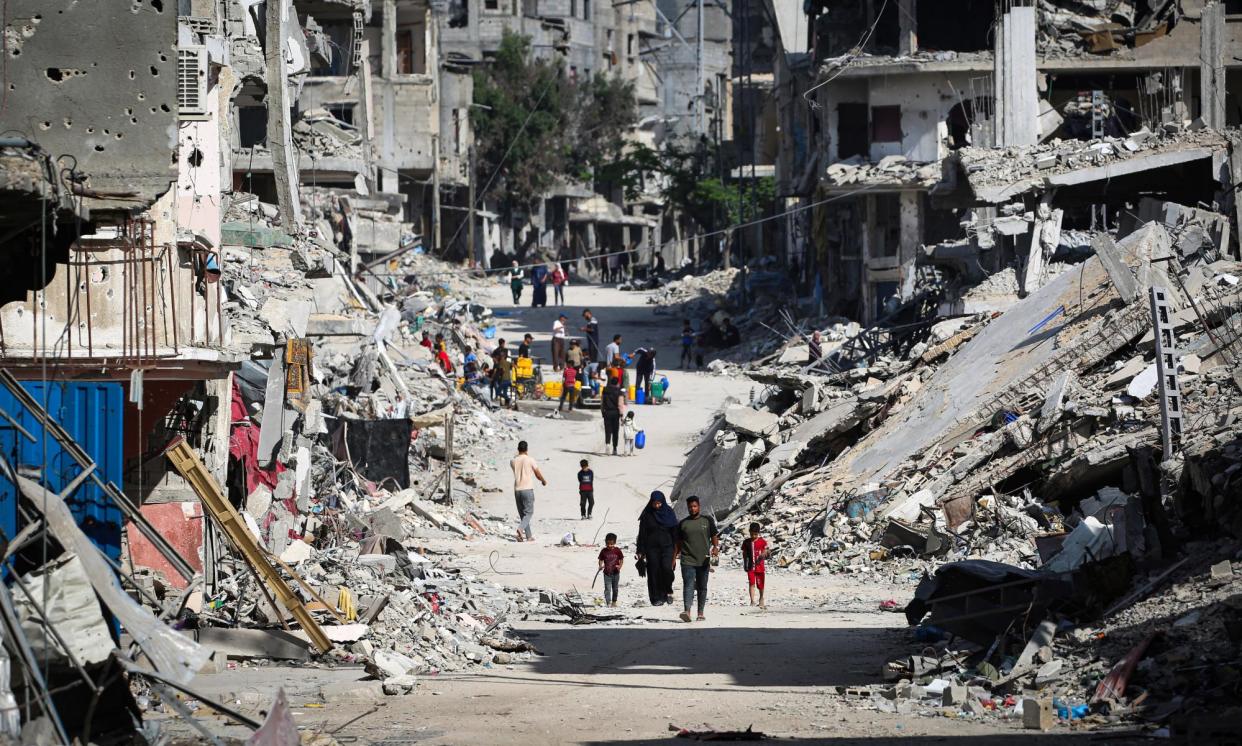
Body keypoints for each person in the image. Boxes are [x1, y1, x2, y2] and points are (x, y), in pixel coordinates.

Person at [674, 496, 719, 622]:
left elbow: (714, 535)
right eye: (690, 507)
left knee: (702, 586)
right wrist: (673, 559)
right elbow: (678, 543)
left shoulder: (707, 520)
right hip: (687, 560)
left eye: (694, 506)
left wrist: (716, 547)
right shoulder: (683, 523)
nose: (692, 509)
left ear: (699, 506)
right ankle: (687, 611)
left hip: (704, 560)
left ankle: (700, 612)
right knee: (688, 585)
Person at [636, 491, 677, 606]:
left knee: (666, 569)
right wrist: (640, 550)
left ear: (663, 502)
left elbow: (674, 531)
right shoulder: (647, 515)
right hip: (652, 548)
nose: (657, 506)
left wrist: (677, 548)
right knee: (653, 571)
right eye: (655, 503)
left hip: (667, 547)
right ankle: (655, 598)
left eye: (659, 503)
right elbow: (642, 533)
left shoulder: (669, 513)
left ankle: (668, 591)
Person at [510, 440, 546, 542]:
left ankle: (528, 536)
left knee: (523, 514)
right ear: (527, 449)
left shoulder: (513, 461)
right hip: (527, 489)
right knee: (529, 513)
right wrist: (543, 481)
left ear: (518, 449)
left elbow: (516, 459)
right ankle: (520, 529)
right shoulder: (530, 460)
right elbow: (537, 474)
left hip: (517, 490)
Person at [742, 522, 769, 608]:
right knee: (751, 583)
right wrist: (745, 564)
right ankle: (752, 601)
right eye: (752, 534)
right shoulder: (746, 542)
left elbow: (767, 551)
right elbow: (745, 554)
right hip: (750, 567)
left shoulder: (762, 542)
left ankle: (761, 598)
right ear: (749, 532)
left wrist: (764, 554)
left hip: (760, 567)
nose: (754, 536)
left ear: (758, 533)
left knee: (760, 584)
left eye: (755, 534)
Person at [600, 373, 624, 455]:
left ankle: (607, 445)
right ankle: (614, 448)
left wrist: (602, 411)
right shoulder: (619, 391)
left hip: (607, 412)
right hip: (615, 413)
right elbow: (620, 404)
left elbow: (602, 402)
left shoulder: (605, 389)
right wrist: (621, 415)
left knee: (608, 430)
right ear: (617, 383)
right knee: (615, 431)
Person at [598, 533, 624, 608]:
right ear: (605, 542)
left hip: (616, 573)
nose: (609, 545)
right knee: (607, 589)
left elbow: (621, 559)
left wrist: (620, 566)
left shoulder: (617, 550)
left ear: (614, 543)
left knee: (615, 589)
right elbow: (601, 559)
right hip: (607, 574)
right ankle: (608, 602)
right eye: (608, 544)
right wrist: (600, 566)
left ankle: (614, 602)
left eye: (611, 544)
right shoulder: (603, 551)